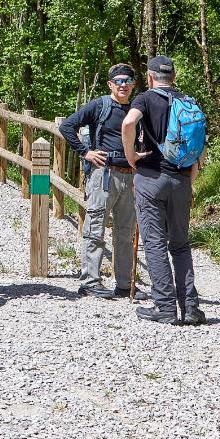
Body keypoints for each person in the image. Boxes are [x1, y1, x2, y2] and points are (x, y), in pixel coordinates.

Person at [121, 56, 206, 325]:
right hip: (181, 180)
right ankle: (190, 307)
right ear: (174, 75)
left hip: (151, 178)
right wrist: (194, 168)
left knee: (155, 243)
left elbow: (128, 124)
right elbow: (200, 137)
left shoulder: (145, 99)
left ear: (149, 77)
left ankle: (165, 307)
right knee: (180, 244)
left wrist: (131, 155)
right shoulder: (188, 101)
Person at [59, 63, 148, 300]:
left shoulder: (136, 109)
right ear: (110, 84)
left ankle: (124, 284)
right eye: (118, 81)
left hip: (130, 176)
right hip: (104, 174)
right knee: (95, 228)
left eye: (127, 81)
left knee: (125, 232)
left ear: (133, 85)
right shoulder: (100, 105)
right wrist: (85, 151)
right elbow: (67, 126)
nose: (123, 85)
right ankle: (90, 281)